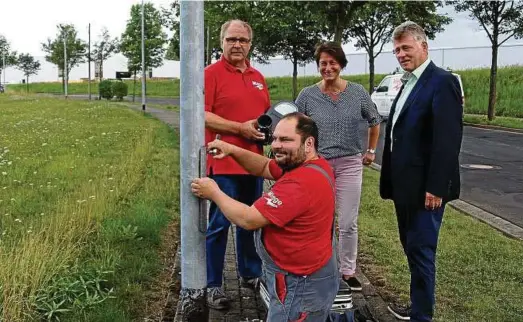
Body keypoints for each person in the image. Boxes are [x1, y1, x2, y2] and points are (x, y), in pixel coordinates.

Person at [192, 112, 340, 321]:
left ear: (309, 143)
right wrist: (232, 149)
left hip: (299, 285)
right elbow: (263, 166)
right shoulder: (313, 164)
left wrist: (214, 192)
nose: (277, 145)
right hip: (311, 272)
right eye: (275, 138)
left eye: (286, 140)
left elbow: (248, 219)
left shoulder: (300, 183)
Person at [379, 21, 463, 321]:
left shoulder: (442, 81)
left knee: (422, 251)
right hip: (405, 186)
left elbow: (447, 140)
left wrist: (437, 187)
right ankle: (417, 305)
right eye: (397, 50)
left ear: (423, 46)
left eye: (406, 47)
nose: (400, 54)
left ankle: (422, 315)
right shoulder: (408, 81)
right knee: (412, 249)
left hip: (426, 189)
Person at [295, 41, 381, 291]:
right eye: (323, 63)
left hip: (349, 163)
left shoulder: (357, 93)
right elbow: (296, 126)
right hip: (318, 165)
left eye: (332, 62)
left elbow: (374, 121)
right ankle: (319, 266)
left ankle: (348, 270)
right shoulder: (307, 95)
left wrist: (371, 151)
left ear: (341, 64)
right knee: (318, 219)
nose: (328, 67)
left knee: (347, 221)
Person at [203, 19, 271, 309]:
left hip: (254, 163)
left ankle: (250, 273)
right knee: (220, 225)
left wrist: (267, 132)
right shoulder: (210, 74)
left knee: (251, 221)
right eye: (231, 39)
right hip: (223, 163)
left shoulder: (258, 76)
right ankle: (213, 285)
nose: (237, 45)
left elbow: (264, 115)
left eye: (242, 40)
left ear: (250, 44)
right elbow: (202, 116)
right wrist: (239, 129)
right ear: (222, 42)